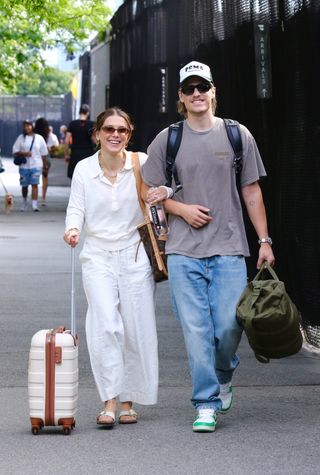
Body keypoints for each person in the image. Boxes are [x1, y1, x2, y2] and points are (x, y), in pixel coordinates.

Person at [141, 60, 275, 433]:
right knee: (196, 331)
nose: (197, 93)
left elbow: (251, 190)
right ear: (181, 98)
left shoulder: (237, 135)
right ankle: (205, 402)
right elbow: (148, 190)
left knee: (230, 326)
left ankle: (223, 371)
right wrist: (179, 207)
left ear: (214, 91)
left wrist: (264, 240)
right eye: (189, 89)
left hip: (230, 248)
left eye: (203, 86)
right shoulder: (168, 138)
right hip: (183, 251)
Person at [63, 107, 160, 429]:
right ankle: (109, 400)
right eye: (109, 129)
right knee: (106, 324)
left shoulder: (141, 163)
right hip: (97, 255)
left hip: (134, 256)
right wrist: (72, 228)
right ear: (97, 134)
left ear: (129, 135)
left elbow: (165, 190)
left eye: (122, 130)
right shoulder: (84, 169)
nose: (115, 135)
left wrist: (164, 193)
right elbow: (76, 207)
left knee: (135, 327)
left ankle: (129, 401)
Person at [12, 120, 48, 212]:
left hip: (36, 165)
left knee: (34, 184)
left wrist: (45, 166)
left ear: (33, 126)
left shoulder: (39, 138)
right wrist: (24, 153)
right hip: (24, 166)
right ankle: (24, 202)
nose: (26, 128)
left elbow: (44, 153)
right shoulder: (21, 138)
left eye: (28, 126)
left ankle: (34, 205)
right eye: (25, 126)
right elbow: (15, 150)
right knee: (24, 185)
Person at [64, 104, 95, 179]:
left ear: (79, 112)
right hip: (88, 153)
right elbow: (95, 140)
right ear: (88, 113)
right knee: (88, 176)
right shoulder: (91, 124)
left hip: (75, 153)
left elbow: (67, 141)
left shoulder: (72, 124)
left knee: (75, 176)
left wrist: (66, 154)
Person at [34, 118, 59, 206]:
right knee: (45, 177)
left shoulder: (34, 135)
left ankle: (34, 197)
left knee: (35, 178)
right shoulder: (49, 135)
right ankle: (43, 198)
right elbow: (56, 145)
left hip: (35, 158)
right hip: (46, 157)